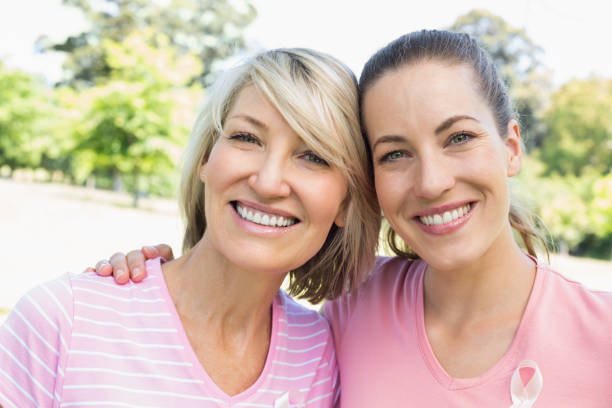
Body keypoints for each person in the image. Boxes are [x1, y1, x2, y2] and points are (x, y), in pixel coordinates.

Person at [87, 30, 612, 406]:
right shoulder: (349, 308)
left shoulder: (603, 337)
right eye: (394, 154)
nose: (431, 181)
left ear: (511, 147)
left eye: (459, 138)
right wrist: (147, 278)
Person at [0, 48, 381, 408]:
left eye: (313, 156)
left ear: (346, 203)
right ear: (205, 159)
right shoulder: (62, 318)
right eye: (246, 138)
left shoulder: (318, 356)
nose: (267, 182)